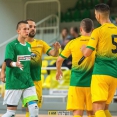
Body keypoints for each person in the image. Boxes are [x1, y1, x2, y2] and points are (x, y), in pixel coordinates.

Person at [81, 3, 117, 117]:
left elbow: (87, 53)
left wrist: (83, 49)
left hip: (101, 73)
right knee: (105, 109)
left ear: (98, 16)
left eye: (95, 14)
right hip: (114, 75)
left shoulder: (98, 31)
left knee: (97, 109)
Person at [56, 18, 95, 117]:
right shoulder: (96, 43)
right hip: (92, 84)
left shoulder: (72, 43)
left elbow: (59, 60)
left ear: (81, 29)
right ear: (93, 30)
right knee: (92, 113)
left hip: (76, 84)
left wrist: (58, 71)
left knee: (77, 114)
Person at [1, 21, 38, 117]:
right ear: (18, 31)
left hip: (27, 81)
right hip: (14, 81)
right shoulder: (11, 45)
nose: (27, 31)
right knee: (10, 113)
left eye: (28, 29)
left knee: (34, 109)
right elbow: (8, 61)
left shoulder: (29, 46)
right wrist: (14, 64)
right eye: (24, 29)